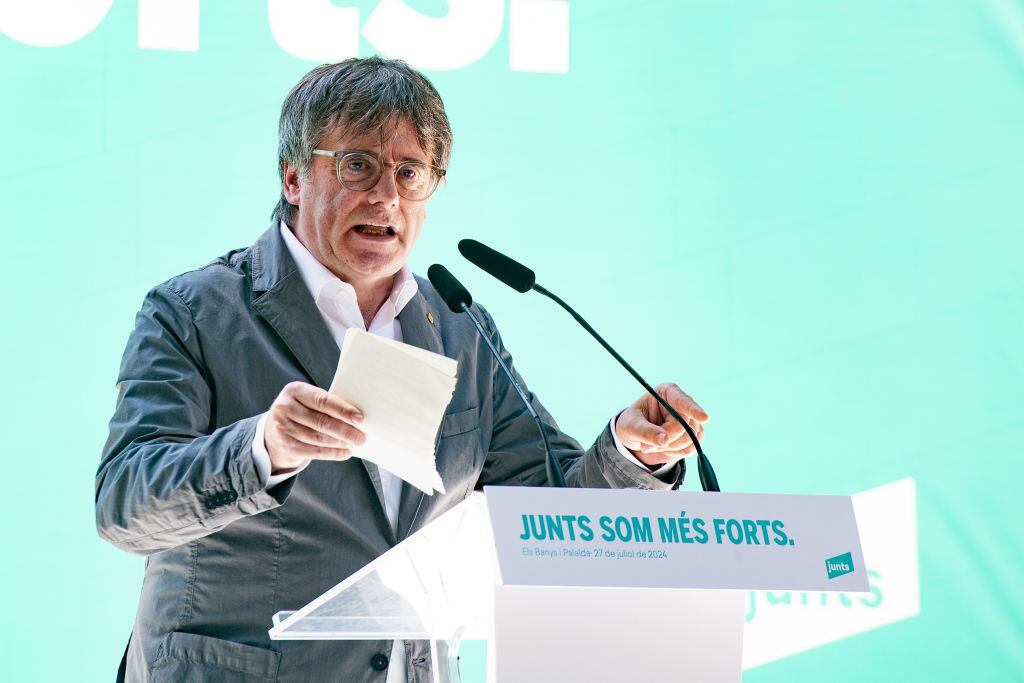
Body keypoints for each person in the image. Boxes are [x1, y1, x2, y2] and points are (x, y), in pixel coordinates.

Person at [95, 56, 709, 683]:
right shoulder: (194, 313)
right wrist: (263, 447)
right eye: (357, 164)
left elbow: (547, 507)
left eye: (409, 172)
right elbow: (124, 504)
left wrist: (634, 455)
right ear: (293, 177)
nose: (386, 195)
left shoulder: (461, 329)